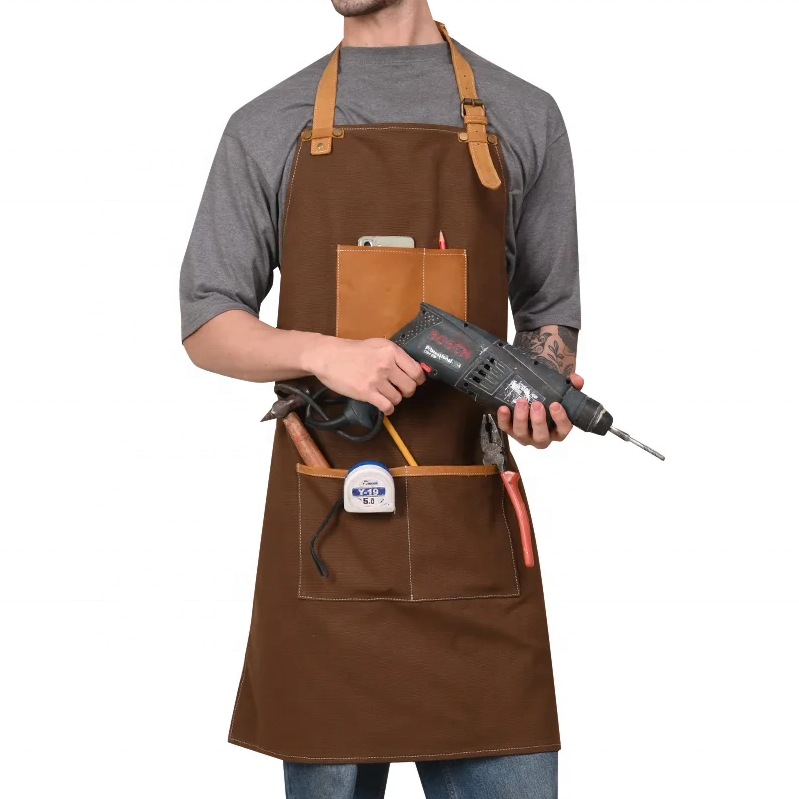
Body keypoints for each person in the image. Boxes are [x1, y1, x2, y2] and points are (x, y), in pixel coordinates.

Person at [180, 1, 582, 796]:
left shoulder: (523, 114)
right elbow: (206, 322)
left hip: (471, 548)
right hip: (329, 541)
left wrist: (539, 392)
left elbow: (548, 315)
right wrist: (321, 354)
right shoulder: (268, 125)